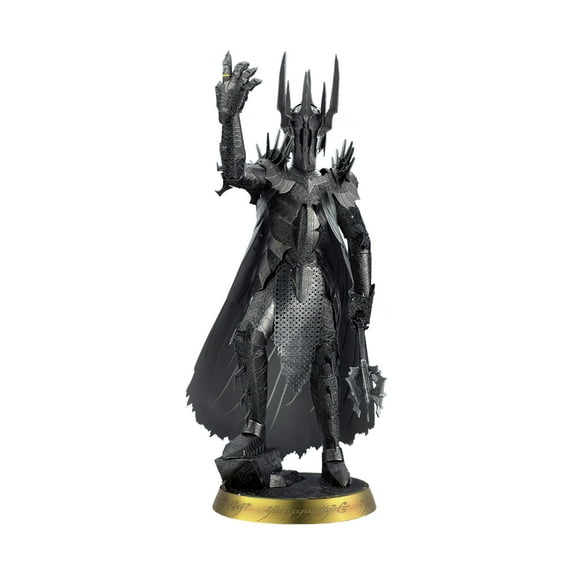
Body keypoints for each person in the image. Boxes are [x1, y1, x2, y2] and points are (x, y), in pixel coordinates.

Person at [187, 53, 380, 487]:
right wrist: (229, 119)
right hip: (277, 277)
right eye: (299, 127)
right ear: (288, 129)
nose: (306, 134)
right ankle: (254, 430)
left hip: (318, 281)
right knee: (249, 336)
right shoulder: (272, 176)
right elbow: (235, 172)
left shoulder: (335, 185)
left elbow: (360, 239)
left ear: (325, 128)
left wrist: (362, 295)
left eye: (313, 127)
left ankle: (332, 449)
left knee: (325, 363)